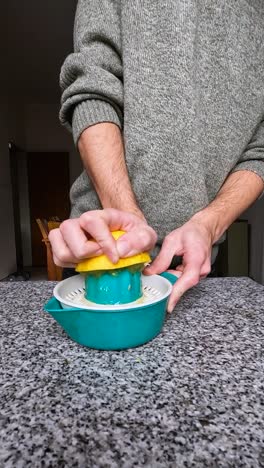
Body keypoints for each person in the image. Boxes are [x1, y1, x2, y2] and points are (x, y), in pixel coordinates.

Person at [49, 0, 264, 312]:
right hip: (102, 252)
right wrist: (127, 219)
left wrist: (207, 225)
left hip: (192, 269)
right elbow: (93, 91)